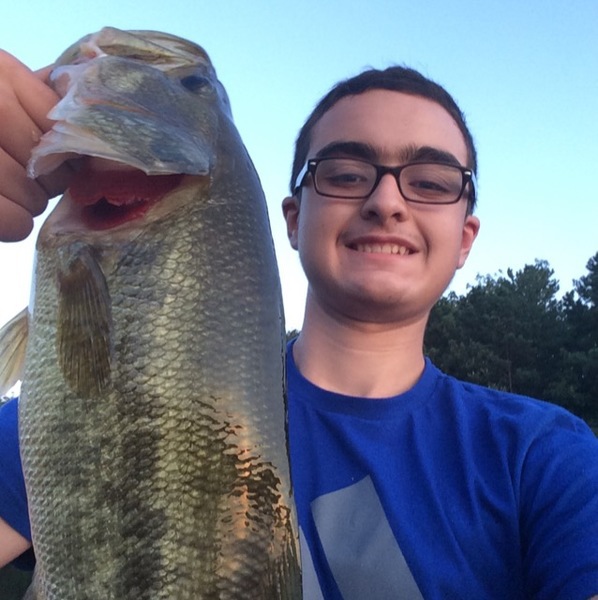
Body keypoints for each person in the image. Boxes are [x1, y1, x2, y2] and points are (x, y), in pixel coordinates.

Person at [1, 48, 598, 600]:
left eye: (431, 183)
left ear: (465, 239)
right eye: (345, 173)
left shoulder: (544, 459)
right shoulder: (81, 411)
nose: (387, 202)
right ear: (292, 218)